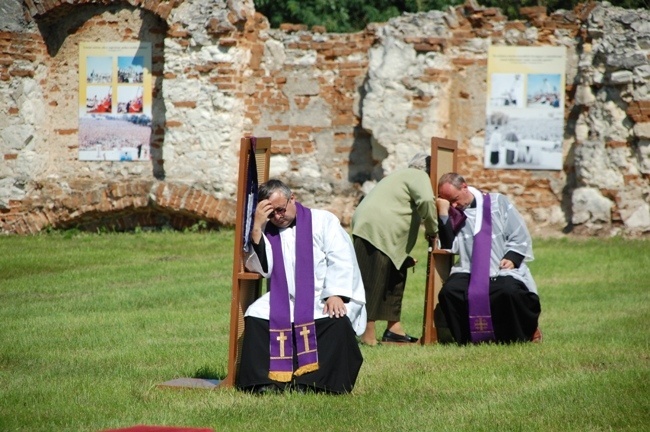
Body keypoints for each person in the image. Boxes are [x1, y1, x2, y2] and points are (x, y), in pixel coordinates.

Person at [236, 179, 366, 394]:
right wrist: (257, 229)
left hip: (321, 296)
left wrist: (335, 294)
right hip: (284, 297)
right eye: (271, 213)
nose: (278, 216)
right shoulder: (267, 230)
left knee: (337, 322)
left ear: (292, 199)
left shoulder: (323, 221)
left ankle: (317, 384)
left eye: (280, 209)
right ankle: (265, 382)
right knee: (256, 315)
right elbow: (261, 268)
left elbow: (341, 258)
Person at [436, 172, 542, 345]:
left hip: (500, 267)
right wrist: (443, 213)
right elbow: (448, 245)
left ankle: (524, 332)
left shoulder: (496, 202)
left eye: (455, 199)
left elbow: (519, 235)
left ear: (464, 187)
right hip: (468, 267)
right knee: (450, 292)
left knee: (509, 291)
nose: (454, 204)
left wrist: (512, 257)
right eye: (449, 201)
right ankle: (468, 339)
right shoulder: (453, 212)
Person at [351, 153, 438, 346]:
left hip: (376, 228)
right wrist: (433, 229)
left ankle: (394, 331)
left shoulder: (401, 176)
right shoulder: (419, 175)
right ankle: (367, 333)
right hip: (376, 229)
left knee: (394, 276)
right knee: (373, 280)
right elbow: (425, 200)